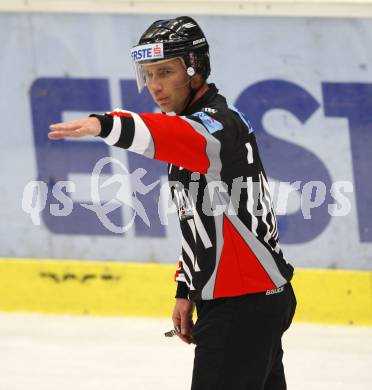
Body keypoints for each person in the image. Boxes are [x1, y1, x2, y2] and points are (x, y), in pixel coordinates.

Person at [49, 16, 297, 390]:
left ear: (195, 68)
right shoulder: (194, 125)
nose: (154, 86)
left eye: (165, 72)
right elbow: (201, 221)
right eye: (148, 74)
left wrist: (106, 124)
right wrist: (186, 289)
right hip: (242, 299)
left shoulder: (217, 125)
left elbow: (168, 135)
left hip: (243, 303)